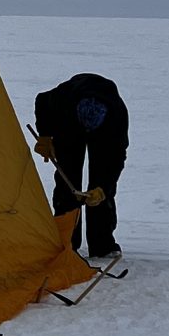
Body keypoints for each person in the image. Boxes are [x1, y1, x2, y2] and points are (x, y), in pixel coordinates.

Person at [32, 71, 128, 260]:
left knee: (99, 191)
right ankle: (66, 241)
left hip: (103, 133)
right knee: (67, 181)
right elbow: (41, 101)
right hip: (69, 127)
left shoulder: (116, 118)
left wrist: (104, 188)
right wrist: (45, 136)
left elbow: (116, 159)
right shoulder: (62, 101)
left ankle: (102, 245)